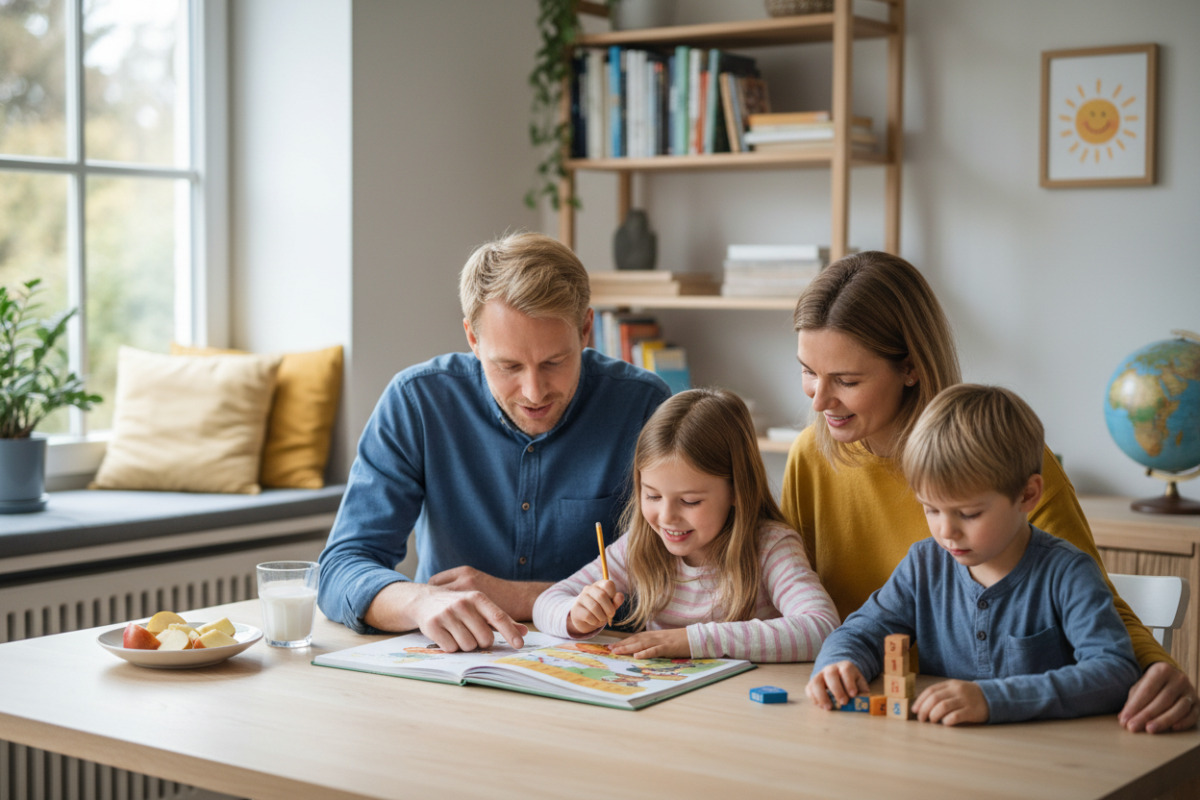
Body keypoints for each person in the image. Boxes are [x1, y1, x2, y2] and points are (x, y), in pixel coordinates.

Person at [782, 250, 1199, 733]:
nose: (817, 399)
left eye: (846, 380)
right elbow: (806, 607)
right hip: (880, 725)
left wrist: (1156, 668)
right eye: (808, 371)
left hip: (1015, 728)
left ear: (911, 367)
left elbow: (1090, 598)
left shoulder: (1001, 458)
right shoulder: (810, 457)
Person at [318, 232, 670, 652]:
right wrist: (418, 600)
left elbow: (687, 583)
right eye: (508, 366)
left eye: (554, 362)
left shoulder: (645, 407)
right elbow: (341, 568)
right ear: (472, 338)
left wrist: (522, 598)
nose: (534, 392)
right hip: (454, 669)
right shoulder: (418, 402)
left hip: (601, 671)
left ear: (585, 330)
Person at [807, 384, 1141, 725]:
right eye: (931, 509)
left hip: (1046, 760)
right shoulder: (924, 566)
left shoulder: (1067, 573)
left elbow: (1114, 672)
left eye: (968, 514)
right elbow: (861, 632)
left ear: (1027, 495)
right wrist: (839, 662)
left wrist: (990, 699)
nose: (946, 532)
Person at [533, 388, 840, 661]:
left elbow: (821, 628)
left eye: (690, 501)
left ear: (736, 490)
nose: (666, 517)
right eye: (652, 495)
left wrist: (690, 640)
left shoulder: (770, 546)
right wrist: (575, 615)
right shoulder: (640, 544)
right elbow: (546, 603)